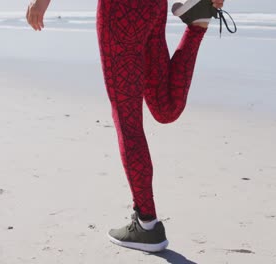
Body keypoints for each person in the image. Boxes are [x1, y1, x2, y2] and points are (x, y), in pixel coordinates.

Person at [27, 0, 225, 253]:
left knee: (127, 119)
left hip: (120, 11)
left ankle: (147, 224)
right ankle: (197, 24)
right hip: (152, 7)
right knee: (165, 108)